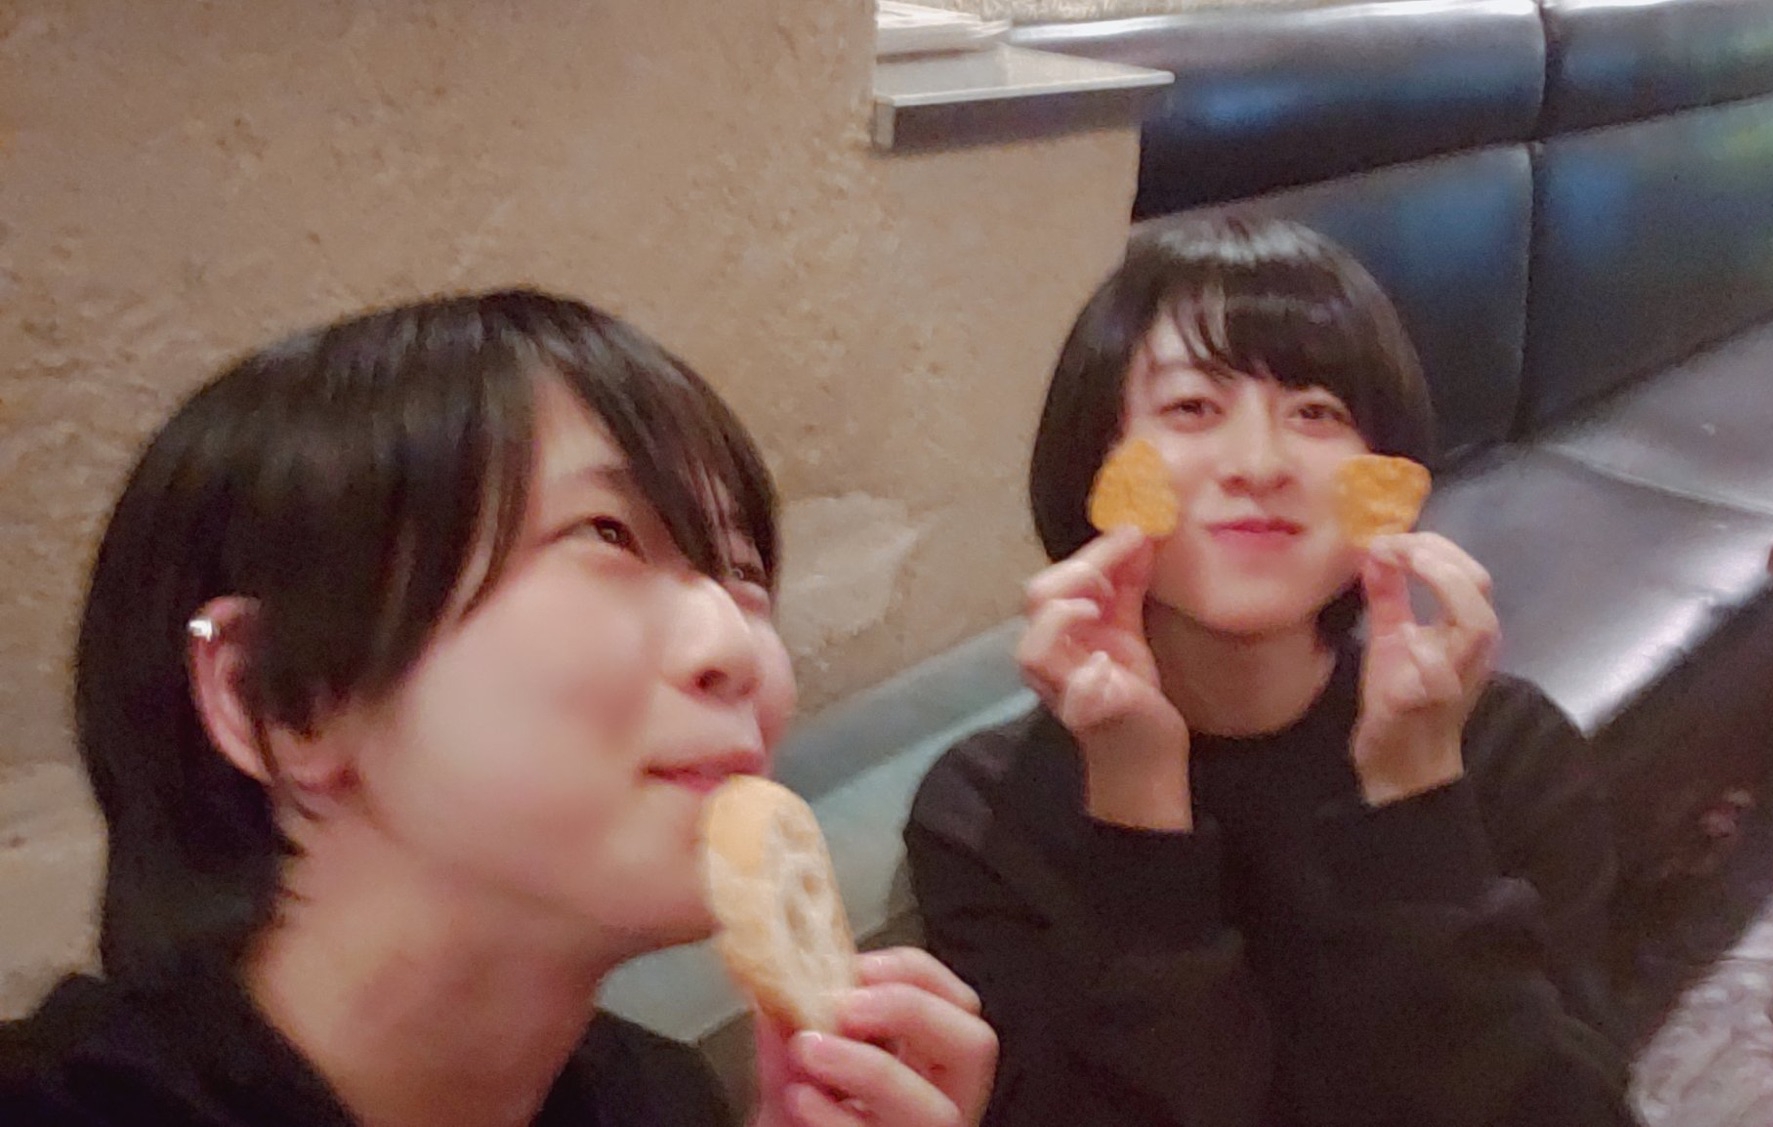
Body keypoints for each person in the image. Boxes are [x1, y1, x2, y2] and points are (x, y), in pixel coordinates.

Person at [0, 291, 996, 1127]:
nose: (736, 647)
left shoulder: (657, 1099)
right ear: (280, 697)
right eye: (606, 533)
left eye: (740, 571)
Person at [903, 217, 1633, 1127]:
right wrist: (1137, 803)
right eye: (1191, 409)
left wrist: (1415, 800)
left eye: (1316, 412)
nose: (1258, 464)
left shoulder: (1506, 751)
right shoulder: (985, 811)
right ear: (1095, 462)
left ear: (1386, 471)